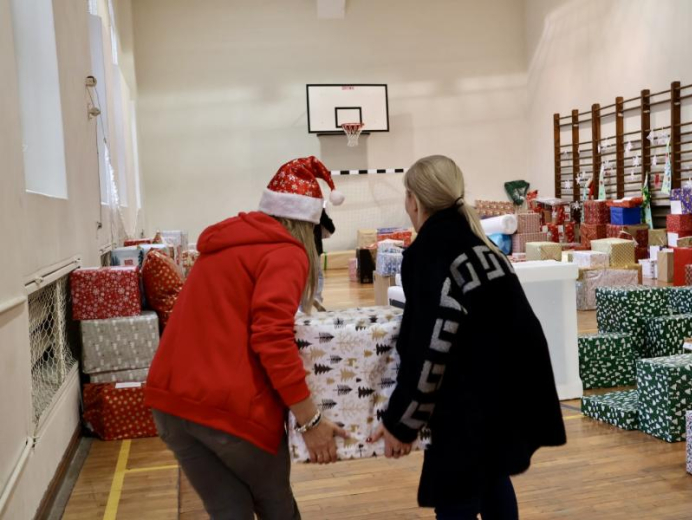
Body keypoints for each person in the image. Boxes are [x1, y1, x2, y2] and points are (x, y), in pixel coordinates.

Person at [145, 156, 347, 520]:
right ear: (308, 225)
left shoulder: (221, 246)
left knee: (228, 511)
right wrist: (310, 421)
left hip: (170, 405)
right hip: (230, 414)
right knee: (276, 507)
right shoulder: (286, 253)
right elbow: (271, 337)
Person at [370, 155, 566, 519]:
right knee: (492, 478)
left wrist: (401, 421)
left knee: (457, 493)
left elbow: (427, 345)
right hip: (508, 386)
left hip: (469, 397)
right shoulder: (482, 245)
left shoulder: (429, 252)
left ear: (414, 200)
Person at [313, 206, 335, 308]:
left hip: (295, 245)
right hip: (314, 244)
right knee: (318, 274)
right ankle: (316, 297)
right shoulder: (315, 205)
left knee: (300, 274)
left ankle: (300, 303)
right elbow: (330, 226)